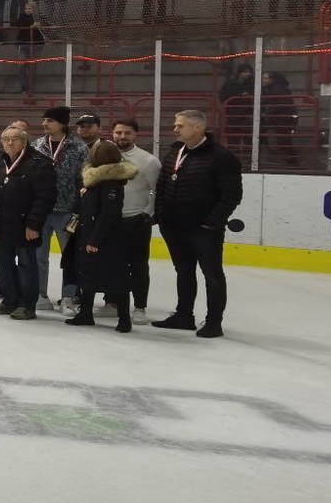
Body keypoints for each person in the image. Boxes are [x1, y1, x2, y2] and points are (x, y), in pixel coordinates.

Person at [153, 109, 242, 339]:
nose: (175, 129)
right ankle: (184, 315)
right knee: (183, 271)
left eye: (180, 125)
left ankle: (214, 322)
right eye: (175, 125)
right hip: (174, 226)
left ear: (198, 127)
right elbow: (162, 185)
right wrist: (161, 215)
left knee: (212, 274)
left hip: (204, 229)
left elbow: (231, 195)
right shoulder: (175, 152)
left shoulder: (221, 157)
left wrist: (212, 222)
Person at [0, 126, 55, 321]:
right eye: (6, 139)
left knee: (27, 265)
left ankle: (27, 305)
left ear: (25, 141)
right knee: (3, 264)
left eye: (15, 139)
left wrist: (34, 225)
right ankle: (10, 300)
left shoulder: (40, 163)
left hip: (24, 226)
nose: (10, 143)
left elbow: (44, 198)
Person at [67, 141, 136, 331]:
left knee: (115, 279)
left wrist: (95, 240)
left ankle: (124, 319)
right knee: (87, 275)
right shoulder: (93, 180)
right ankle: (85, 313)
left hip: (106, 239)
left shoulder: (111, 182)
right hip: (87, 234)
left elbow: (108, 214)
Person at [33, 107, 85, 314]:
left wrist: (79, 208)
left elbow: (85, 180)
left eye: (50, 120)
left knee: (69, 257)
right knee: (38, 255)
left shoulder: (79, 148)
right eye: (44, 119)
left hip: (67, 211)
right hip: (41, 211)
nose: (45, 123)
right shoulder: (37, 145)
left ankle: (68, 298)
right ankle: (39, 295)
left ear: (63, 123)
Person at [110, 118, 160, 321]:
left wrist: (147, 214)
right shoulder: (104, 156)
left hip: (136, 220)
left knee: (138, 265)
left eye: (127, 133)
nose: (122, 136)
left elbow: (157, 191)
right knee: (113, 264)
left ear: (135, 135)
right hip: (110, 220)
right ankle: (112, 303)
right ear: (112, 134)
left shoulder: (148, 161)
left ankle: (139, 307)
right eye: (118, 132)